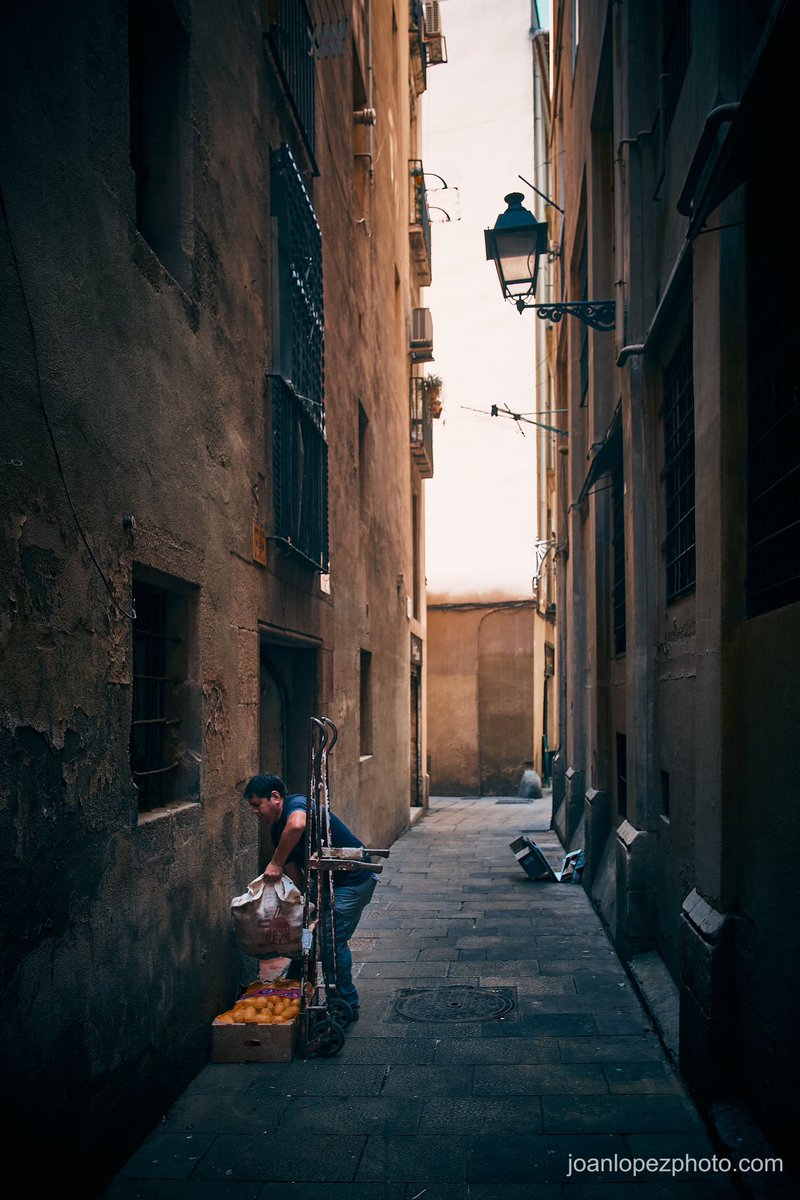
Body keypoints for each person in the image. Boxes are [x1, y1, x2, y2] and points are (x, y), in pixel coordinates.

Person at [244, 772, 377, 1023]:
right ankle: (297, 986)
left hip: (352, 880)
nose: (254, 811)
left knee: (330, 940)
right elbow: (294, 872)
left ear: (275, 797)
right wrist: (303, 904)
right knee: (308, 936)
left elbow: (297, 825)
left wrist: (275, 862)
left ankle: (346, 1004)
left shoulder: (298, 804)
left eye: (256, 804)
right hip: (328, 884)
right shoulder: (276, 832)